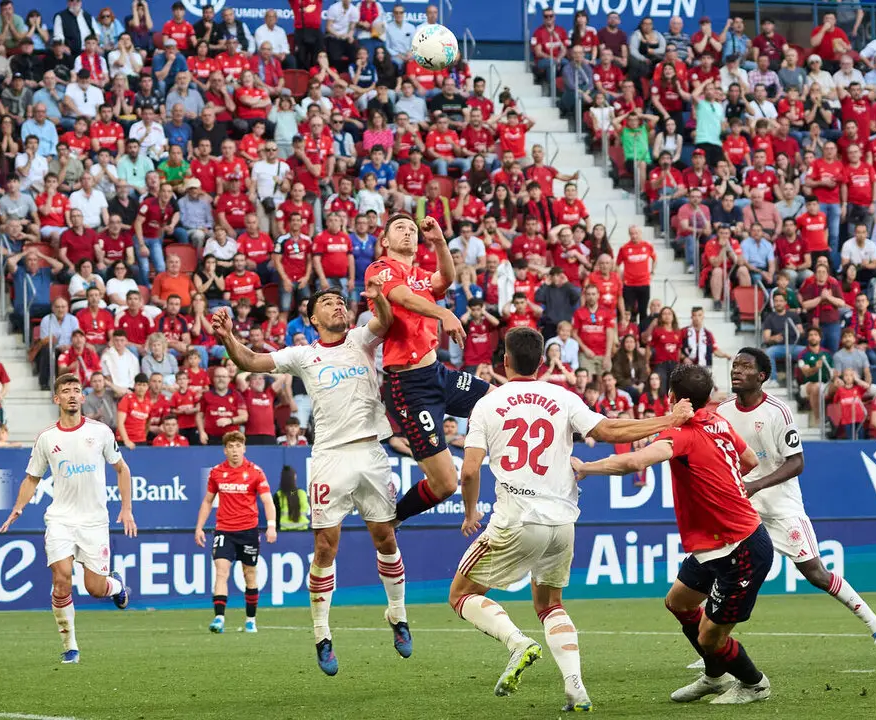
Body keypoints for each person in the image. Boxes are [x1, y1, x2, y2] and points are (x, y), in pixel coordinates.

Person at [452, 327, 693, 710]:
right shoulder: (562, 396)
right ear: (543, 361)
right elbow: (610, 428)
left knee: (462, 594)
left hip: (517, 518)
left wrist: (470, 512)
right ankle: (575, 686)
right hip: (563, 523)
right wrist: (668, 420)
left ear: (505, 362)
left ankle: (518, 644)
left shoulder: (487, 403)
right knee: (550, 605)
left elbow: (468, 472)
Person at [212, 279, 411, 674]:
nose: (338, 306)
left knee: (385, 536)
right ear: (313, 318)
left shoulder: (361, 338)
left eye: (341, 301)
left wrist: (379, 298)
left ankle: (398, 615)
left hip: (371, 451)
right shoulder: (303, 354)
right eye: (328, 303)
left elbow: (386, 323)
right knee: (325, 547)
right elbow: (251, 361)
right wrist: (228, 337)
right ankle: (322, 634)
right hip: (329, 457)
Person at [572, 363, 773, 705]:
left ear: (672, 398)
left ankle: (755, 684)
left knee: (711, 638)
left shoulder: (682, 435)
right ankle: (714, 677)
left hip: (741, 549)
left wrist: (585, 467)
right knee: (678, 602)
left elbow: (635, 463)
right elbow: (750, 460)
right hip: (714, 545)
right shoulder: (719, 422)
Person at [716, 349, 876, 662]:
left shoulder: (778, 412)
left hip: (781, 508)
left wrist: (756, 484)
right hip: (744, 509)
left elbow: (797, 462)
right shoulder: (722, 411)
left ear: (762, 376)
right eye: (735, 365)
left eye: (745, 366)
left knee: (816, 573)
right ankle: (715, 644)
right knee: (726, 573)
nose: (737, 370)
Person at [0, 372, 136, 664]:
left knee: (95, 588)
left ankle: (117, 586)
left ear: (83, 397)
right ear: (56, 398)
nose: (72, 394)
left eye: (77, 390)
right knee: (61, 579)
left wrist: (127, 508)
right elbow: (32, 477)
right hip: (60, 519)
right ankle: (70, 646)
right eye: (66, 390)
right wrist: (18, 507)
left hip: (95, 522)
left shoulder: (100, 432)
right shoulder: (47, 438)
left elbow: (122, 469)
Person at [364, 214, 482, 525]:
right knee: (444, 484)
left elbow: (445, 279)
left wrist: (440, 241)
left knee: (502, 400)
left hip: (438, 374)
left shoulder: (419, 274)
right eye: (400, 228)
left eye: (412, 230)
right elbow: (403, 297)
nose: (408, 233)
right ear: (386, 241)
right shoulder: (379, 270)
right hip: (410, 387)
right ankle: (391, 521)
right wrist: (443, 312)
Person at [193, 432, 277, 634]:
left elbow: (267, 501)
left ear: (244, 448)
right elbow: (207, 501)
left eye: (238, 446)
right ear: (225, 450)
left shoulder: (255, 472)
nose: (234, 450)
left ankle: (250, 620)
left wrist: (272, 525)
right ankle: (219, 618)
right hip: (224, 530)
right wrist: (199, 527)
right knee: (221, 573)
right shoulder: (216, 472)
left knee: (249, 575)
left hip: (248, 531)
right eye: (230, 446)